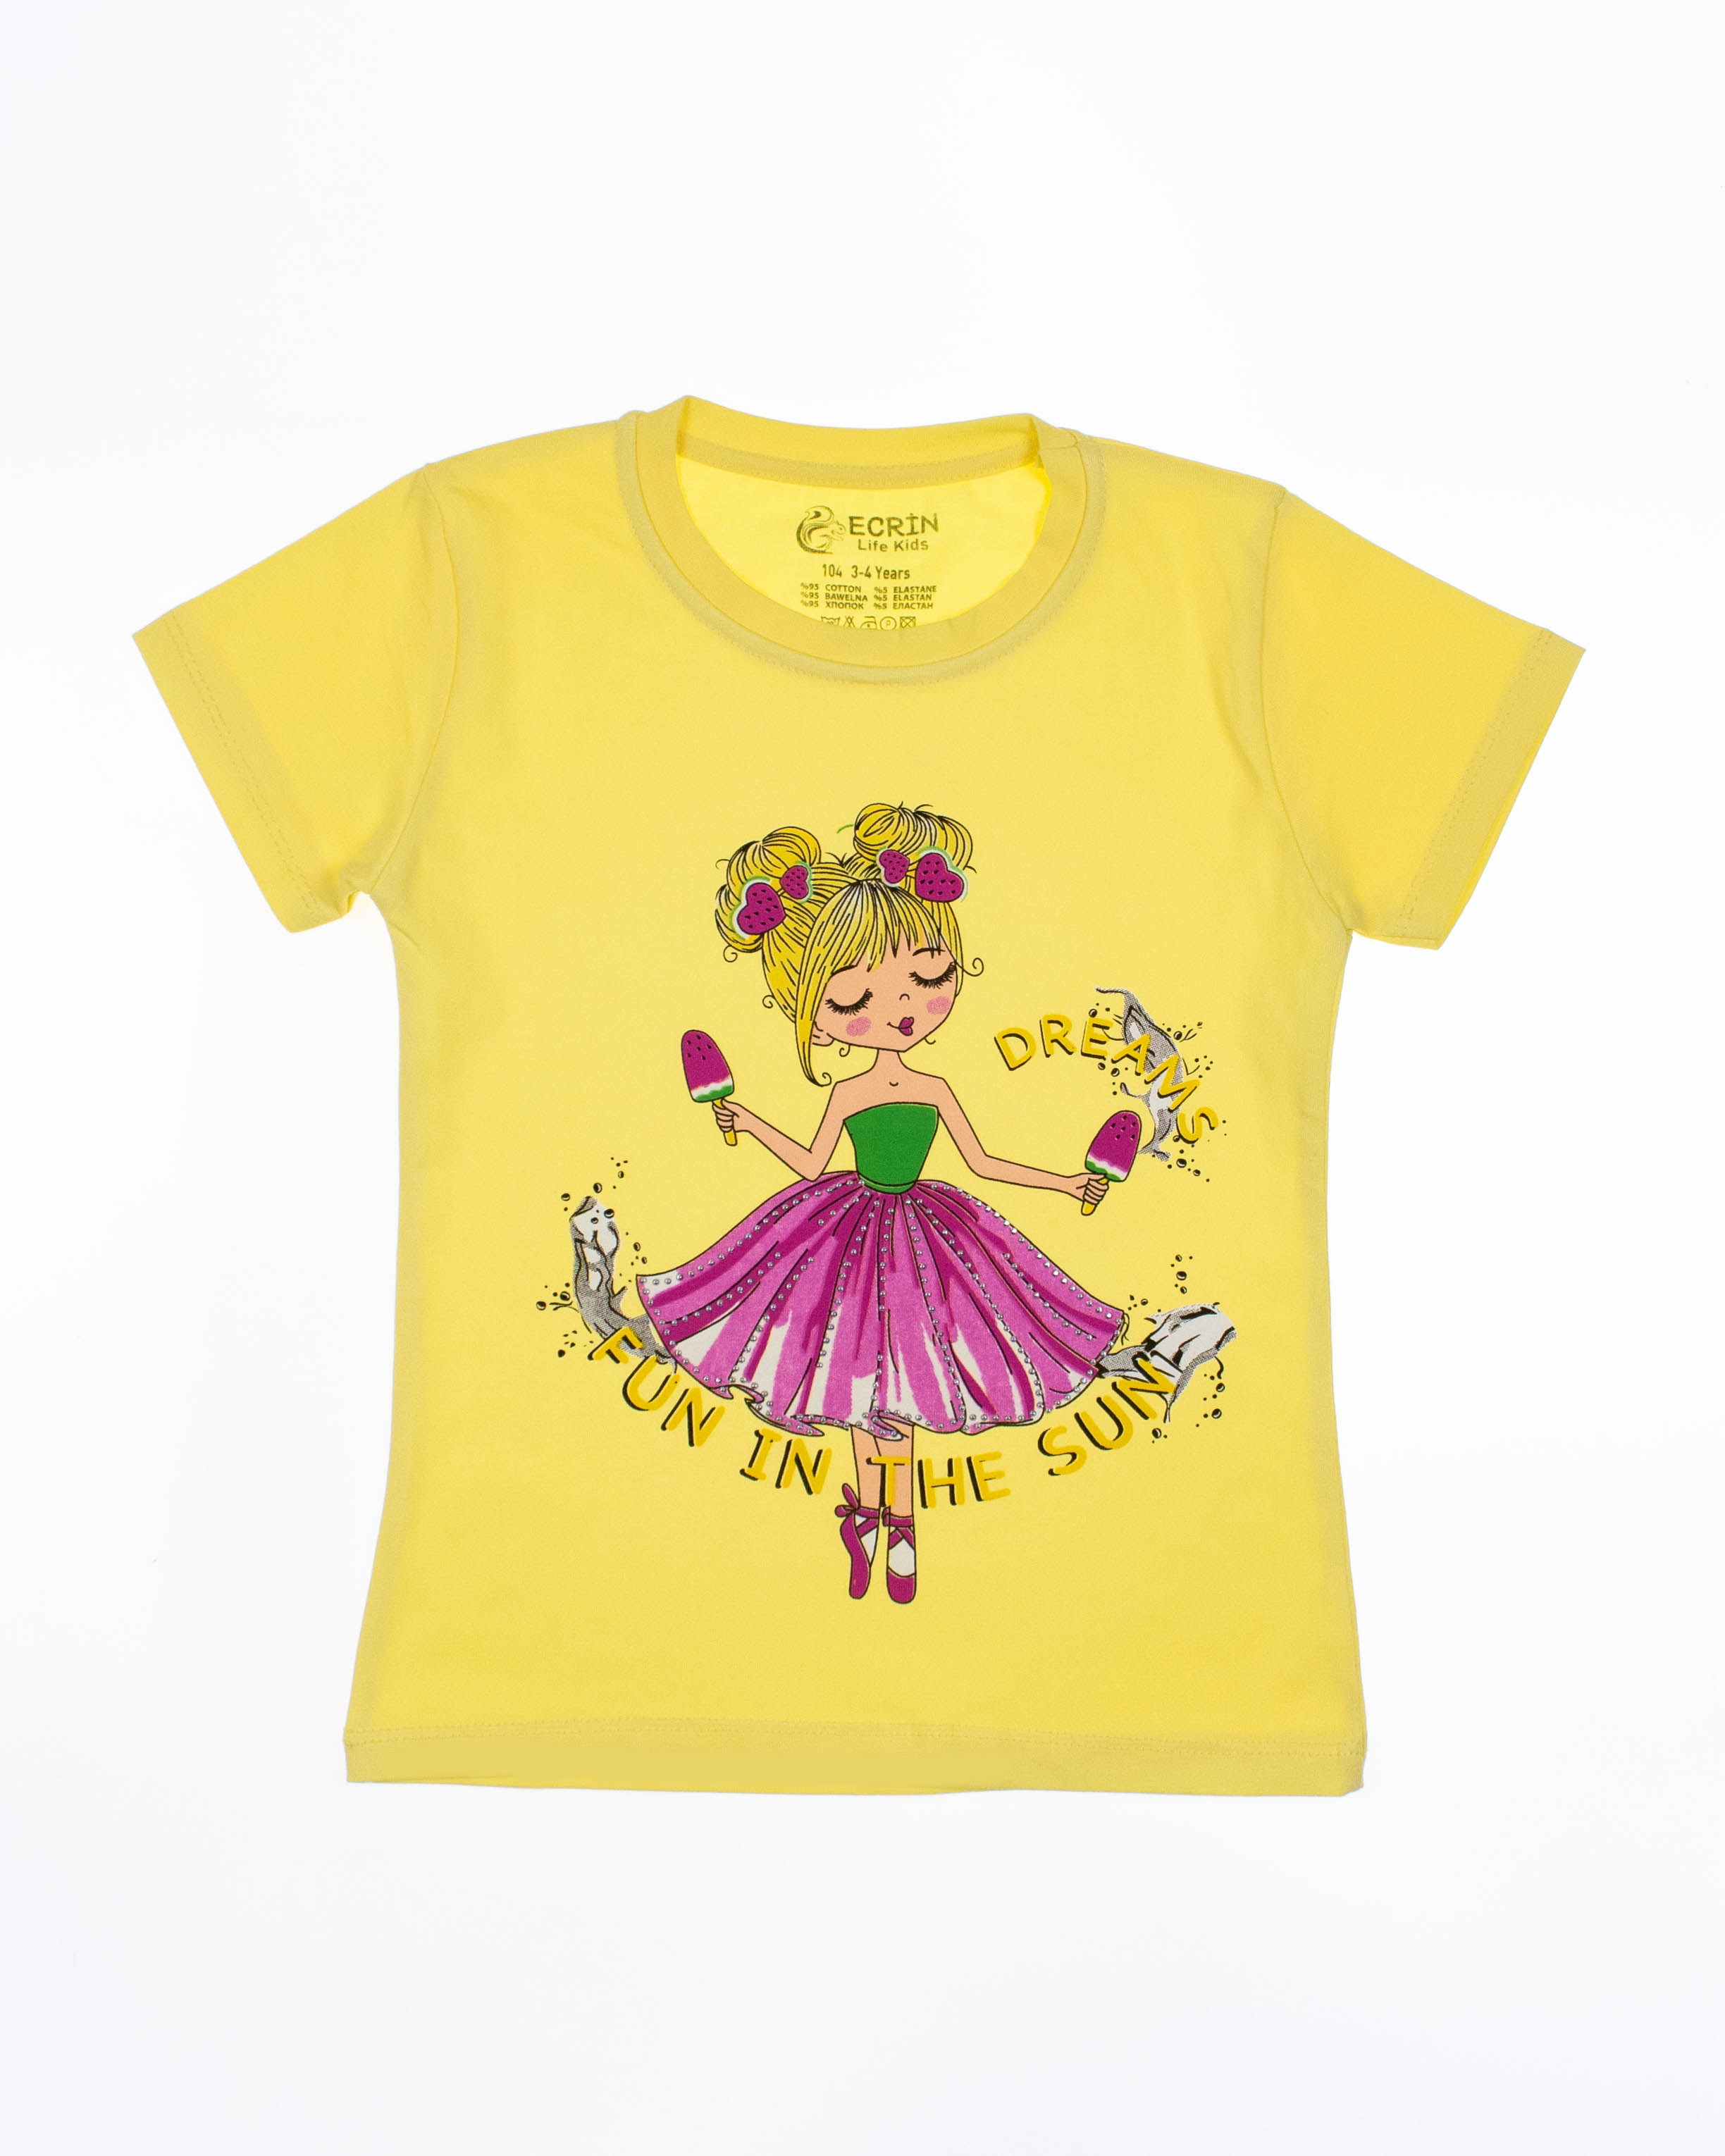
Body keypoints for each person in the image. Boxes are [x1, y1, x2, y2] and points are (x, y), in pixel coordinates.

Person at [635, 802, 1123, 1604]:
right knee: (863, 1379)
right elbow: (809, 1164)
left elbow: (983, 1162)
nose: (901, 1010)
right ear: (820, 1015)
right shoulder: (850, 1093)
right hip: (846, 1234)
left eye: (928, 981)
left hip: (930, 1238)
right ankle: (881, 1523)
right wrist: (749, 1120)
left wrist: (1066, 1183)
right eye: (854, 999)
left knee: (905, 1375)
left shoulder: (933, 1087)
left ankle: (888, 1524)